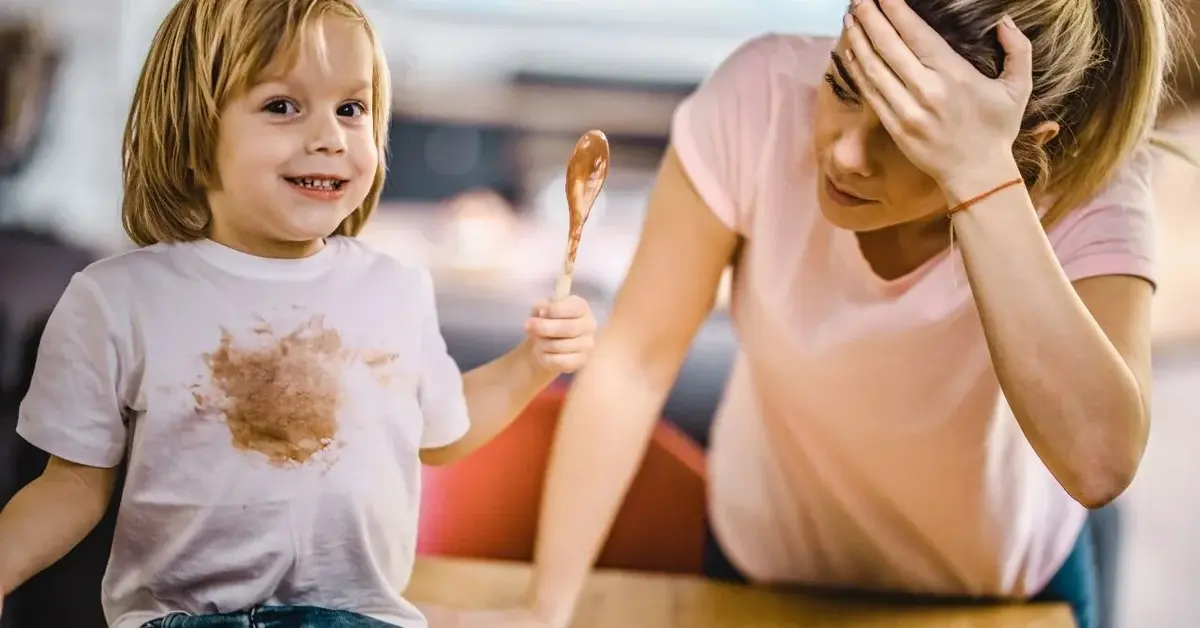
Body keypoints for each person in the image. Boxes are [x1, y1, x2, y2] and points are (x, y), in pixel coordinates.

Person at [441, 1, 1176, 628]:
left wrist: (981, 181)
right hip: (762, 570)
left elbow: (1098, 464)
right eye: (843, 84)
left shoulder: (1094, 190)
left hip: (998, 594)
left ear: (1025, 148)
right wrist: (546, 608)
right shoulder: (759, 99)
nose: (847, 153)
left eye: (911, 129)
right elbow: (634, 363)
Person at [0, 1, 599, 627]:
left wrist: (534, 363)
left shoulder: (395, 289)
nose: (330, 137)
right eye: (282, 106)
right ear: (192, 136)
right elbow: (70, 487)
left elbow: (442, 432)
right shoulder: (115, 300)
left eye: (352, 109)